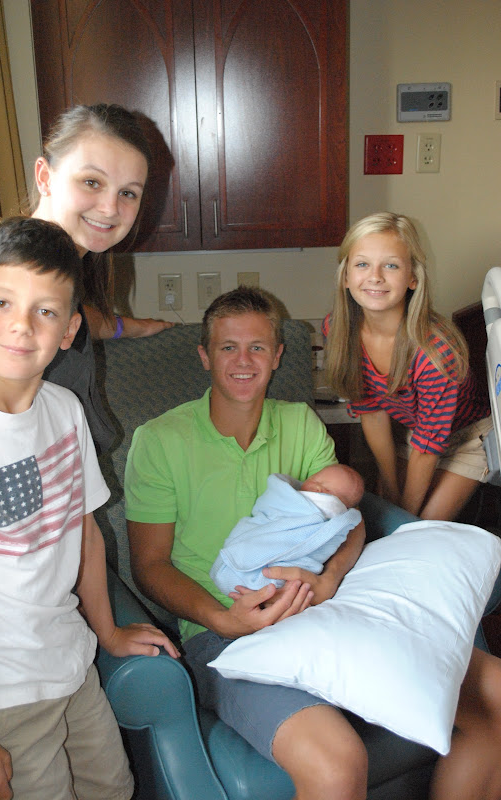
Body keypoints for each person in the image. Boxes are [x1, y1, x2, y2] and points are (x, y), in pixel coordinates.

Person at [125, 285, 501, 800]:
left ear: (278, 356)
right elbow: (150, 565)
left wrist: (329, 580)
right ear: (205, 356)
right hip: (226, 633)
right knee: (336, 766)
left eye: (258, 347)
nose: (243, 361)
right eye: (228, 347)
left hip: (324, 609)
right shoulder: (159, 440)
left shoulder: (298, 422)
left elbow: (350, 521)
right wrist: (223, 619)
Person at [0, 217, 179, 800]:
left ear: (70, 330)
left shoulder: (63, 409)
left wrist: (107, 632)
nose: (21, 325)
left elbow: (84, 532)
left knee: (115, 789)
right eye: (1, 302)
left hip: (71, 664)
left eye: (46, 310)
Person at [0, 103, 174, 453]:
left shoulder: (58, 271)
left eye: (127, 193)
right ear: (45, 177)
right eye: (91, 182)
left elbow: (61, 317)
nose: (110, 208)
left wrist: (124, 327)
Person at [322, 211, 491, 521]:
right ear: (345, 276)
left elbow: (428, 448)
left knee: (417, 530)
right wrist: (389, 486)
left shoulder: (435, 354)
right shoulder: (339, 331)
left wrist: (405, 519)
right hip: (413, 433)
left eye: (391, 265)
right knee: (385, 512)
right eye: (362, 264)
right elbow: (373, 411)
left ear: (412, 277)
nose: (375, 276)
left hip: (465, 438)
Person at [210, 464, 364, 595]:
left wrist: (328, 580)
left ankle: (265, 584)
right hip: (258, 533)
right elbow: (267, 510)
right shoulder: (284, 495)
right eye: (316, 480)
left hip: (288, 577)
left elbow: (348, 524)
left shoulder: (335, 519)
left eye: (328, 492)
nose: (318, 488)